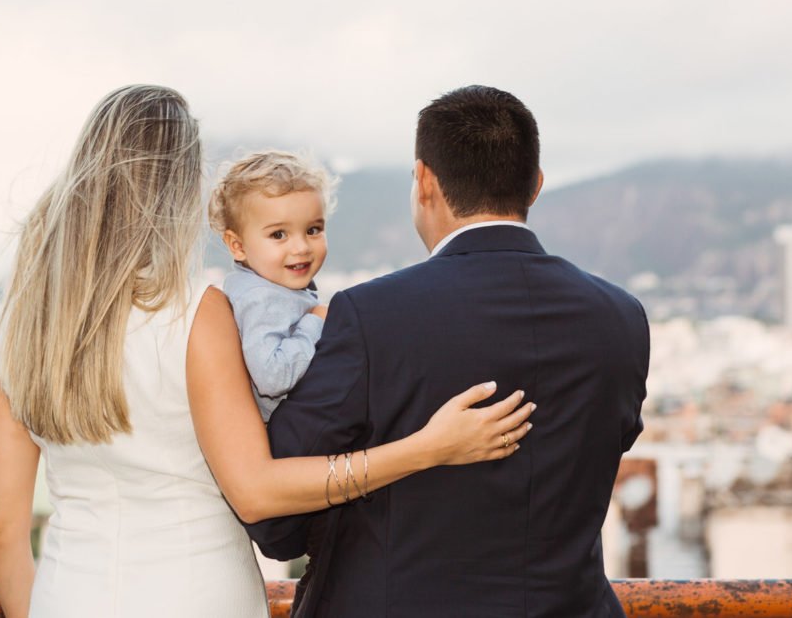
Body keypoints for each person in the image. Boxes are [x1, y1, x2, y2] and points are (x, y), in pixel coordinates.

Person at [0, 84, 537, 618]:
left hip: (65, 598)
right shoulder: (197, 312)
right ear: (181, 193)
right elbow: (255, 492)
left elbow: (2, 528)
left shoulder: (22, 326)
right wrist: (426, 449)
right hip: (198, 598)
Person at [247, 85, 650, 617]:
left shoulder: (372, 316)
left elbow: (277, 523)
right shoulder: (621, 318)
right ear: (535, 184)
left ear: (424, 182)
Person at [207, 151, 334, 421]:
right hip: (287, 431)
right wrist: (315, 321)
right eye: (278, 234)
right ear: (237, 246)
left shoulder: (266, 285)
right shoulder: (260, 298)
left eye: (313, 230)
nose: (301, 247)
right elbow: (272, 377)